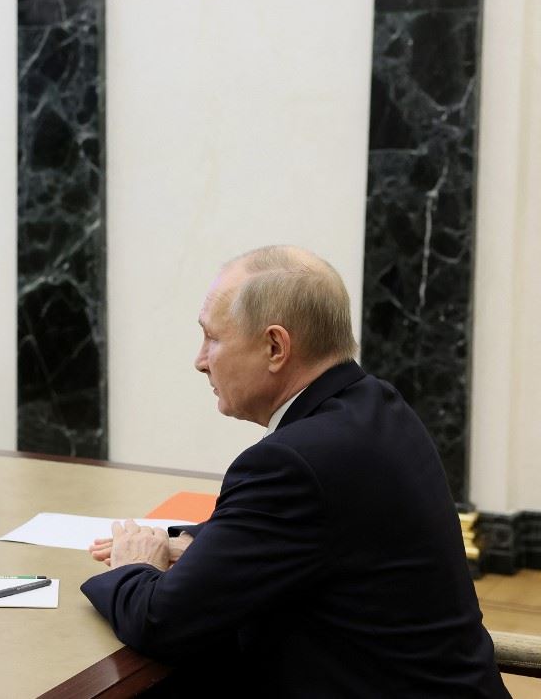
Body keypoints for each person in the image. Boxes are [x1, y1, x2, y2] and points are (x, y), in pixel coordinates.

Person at [81, 246, 508, 697]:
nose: (200, 360)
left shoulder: (293, 463)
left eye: (212, 339)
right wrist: (195, 545)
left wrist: (133, 566)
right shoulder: (376, 406)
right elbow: (303, 530)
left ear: (275, 347)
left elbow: (160, 623)